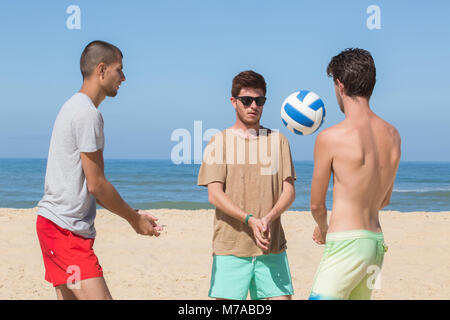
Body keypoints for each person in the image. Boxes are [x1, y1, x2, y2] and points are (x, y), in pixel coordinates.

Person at [36, 40, 163, 300]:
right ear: (102, 69)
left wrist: (133, 214)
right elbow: (97, 185)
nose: (124, 77)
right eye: (120, 70)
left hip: (57, 227)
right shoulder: (87, 114)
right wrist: (134, 219)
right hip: (64, 231)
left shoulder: (74, 106)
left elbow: (90, 185)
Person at [308, 48, 401, 300]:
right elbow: (384, 199)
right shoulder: (393, 135)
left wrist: (323, 228)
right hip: (375, 243)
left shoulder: (331, 137)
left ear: (340, 85)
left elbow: (316, 204)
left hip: (346, 244)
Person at [198, 70, 296, 300]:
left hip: (271, 248)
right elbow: (215, 194)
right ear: (234, 102)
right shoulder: (218, 141)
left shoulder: (278, 140)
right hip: (231, 249)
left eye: (259, 100)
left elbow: (289, 191)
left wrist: (268, 218)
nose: (254, 105)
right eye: (247, 100)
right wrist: (249, 219)